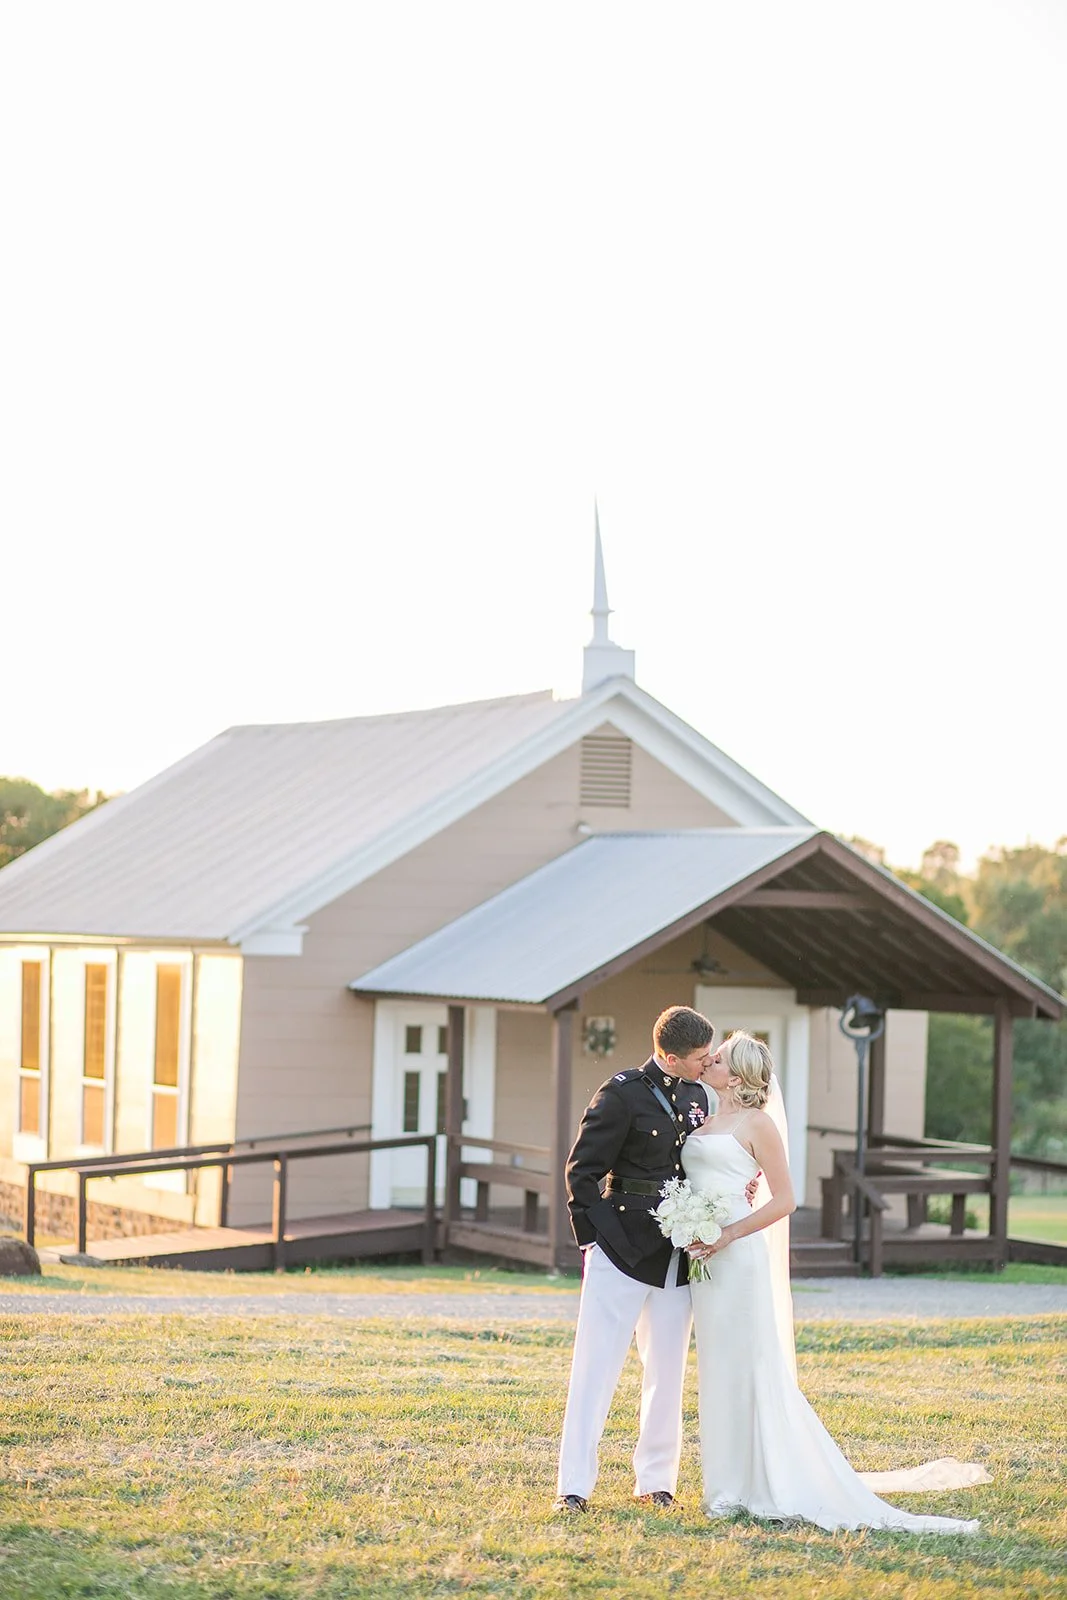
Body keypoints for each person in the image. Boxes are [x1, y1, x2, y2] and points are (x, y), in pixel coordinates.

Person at [684, 1030, 983, 1533]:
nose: (707, 1063)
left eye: (715, 1060)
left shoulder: (758, 1124)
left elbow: (784, 1200)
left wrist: (729, 1233)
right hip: (705, 1261)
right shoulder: (705, 1119)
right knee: (718, 1368)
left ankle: (758, 1484)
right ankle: (725, 1485)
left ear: (734, 1075)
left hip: (739, 1258)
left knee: (751, 1366)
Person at [554, 1005, 757, 1513]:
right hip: (619, 1251)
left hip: (677, 1253)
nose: (708, 1063)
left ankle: (656, 1481)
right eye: (699, 1057)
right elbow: (581, 1173)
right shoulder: (620, 1094)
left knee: (666, 1371)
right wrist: (594, 1242)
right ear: (670, 1055)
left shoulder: (700, 1095)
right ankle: (573, 1487)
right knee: (594, 1369)